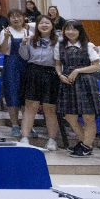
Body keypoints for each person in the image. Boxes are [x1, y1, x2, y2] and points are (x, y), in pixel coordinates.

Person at [55, 20, 100, 158]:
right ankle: (85, 143)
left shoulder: (88, 45)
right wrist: (60, 75)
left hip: (86, 82)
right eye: (67, 29)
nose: (70, 32)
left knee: (88, 116)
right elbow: (57, 64)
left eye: (74, 29)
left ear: (80, 31)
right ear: (63, 31)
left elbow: (96, 66)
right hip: (68, 82)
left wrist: (77, 71)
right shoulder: (60, 45)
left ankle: (85, 146)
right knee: (69, 116)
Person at [17, 15, 60, 151]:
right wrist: (23, 44)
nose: (44, 25)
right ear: (37, 26)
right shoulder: (30, 39)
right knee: (30, 106)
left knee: (49, 107)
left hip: (51, 73)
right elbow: (25, 56)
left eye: (47, 23)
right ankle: (25, 137)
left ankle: (52, 140)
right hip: (33, 71)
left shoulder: (59, 40)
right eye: (41, 23)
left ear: (52, 25)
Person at [0, 9, 30, 137]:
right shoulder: (5, 32)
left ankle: (27, 125)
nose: (16, 19)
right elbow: (2, 50)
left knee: (27, 96)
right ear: (9, 19)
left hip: (27, 65)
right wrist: (6, 38)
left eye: (19, 16)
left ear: (23, 17)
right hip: (11, 65)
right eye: (13, 17)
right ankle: (15, 125)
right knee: (12, 94)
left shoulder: (29, 32)